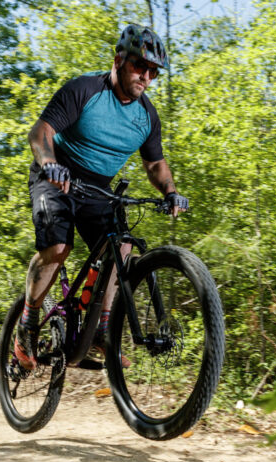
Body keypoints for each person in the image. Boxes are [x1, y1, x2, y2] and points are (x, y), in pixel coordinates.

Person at [15, 24, 189, 370]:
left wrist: (171, 191)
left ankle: (100, 328)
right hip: (56, 174)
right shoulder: (85, 89)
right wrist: (50, 164)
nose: (147, 76)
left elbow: (154, 163)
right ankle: (27, 323)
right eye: (140, 66)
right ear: (119, 60)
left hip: (96, 189)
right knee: (58, 249)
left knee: (121, 247)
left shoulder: (146, 116)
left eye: (154, 71)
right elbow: (41, 132)